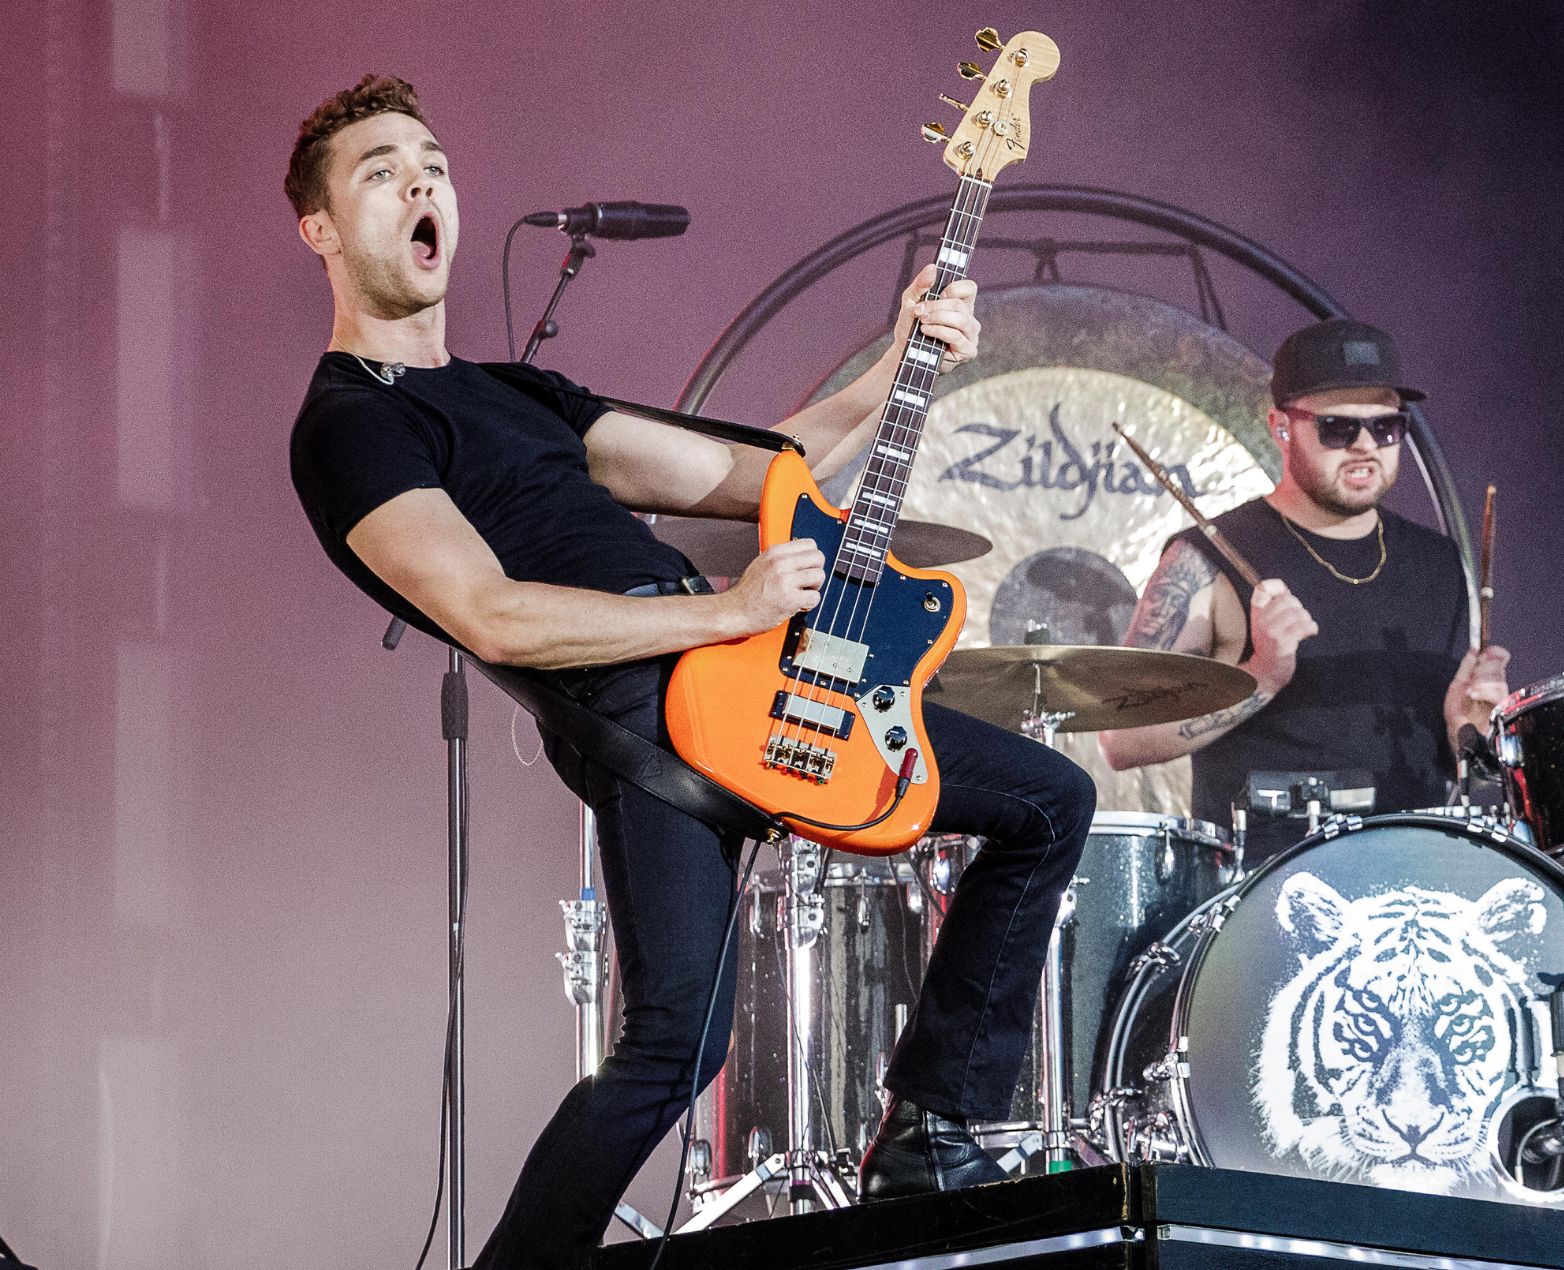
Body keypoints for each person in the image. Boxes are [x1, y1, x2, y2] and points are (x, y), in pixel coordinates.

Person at [283, 75, 1093, 1269]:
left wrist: (899, 357)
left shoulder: (517, 393)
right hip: (648, 714)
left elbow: (757, 470)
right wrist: (726, 610)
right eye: (381, 172)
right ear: (319, 228)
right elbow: (489, 614)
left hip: (744, 671)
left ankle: (928, 1132)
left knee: (1049, 798)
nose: (420, 185)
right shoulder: (350, 421)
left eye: (434, 165)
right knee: (674, 1045)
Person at [1099, 318, 1509, 861]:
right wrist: (1262, 676)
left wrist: (1468, 733)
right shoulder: (1206, 558)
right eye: (1338, 428)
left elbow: (1468, 778)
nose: (1365, 446)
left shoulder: (1439, 562)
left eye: (1386, 427)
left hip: (1415, 877)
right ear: (1281, 427)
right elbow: (1120, 740)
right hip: (1269, 885)